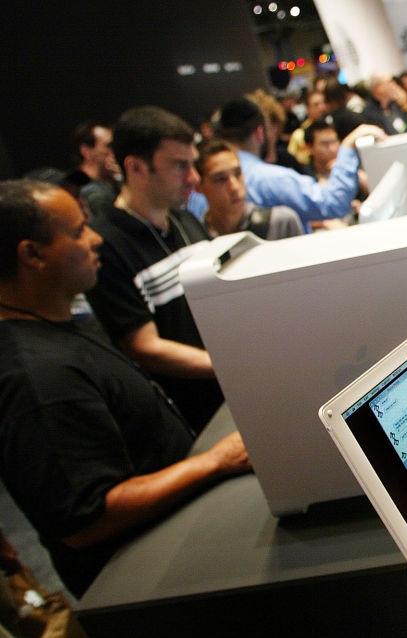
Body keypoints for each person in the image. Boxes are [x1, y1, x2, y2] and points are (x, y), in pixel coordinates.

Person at [0, 179, 250, 597]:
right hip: (146, 580)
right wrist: (213, 462)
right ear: (32, 254)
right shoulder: (38, 378)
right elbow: (85, 520)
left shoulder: (62, 325)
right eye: (79, 231)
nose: (96, 239)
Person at [86, 105, 224, 432]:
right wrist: (228, 366)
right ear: (135, 167)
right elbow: (143, 346)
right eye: (180, 166)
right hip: (190, 415)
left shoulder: (185, 219)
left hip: (227, 389)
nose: (193, 178)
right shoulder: (106, 243)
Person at [208, 96, 383, 230]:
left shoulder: (207, 179)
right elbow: (331, 203)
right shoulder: (269, 178)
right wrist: (348, 146)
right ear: (260, 133)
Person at [195, 140, 303, 240]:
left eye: (238, 173)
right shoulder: (194, 235)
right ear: (198, 187)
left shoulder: (281, 222)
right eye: (220, 179)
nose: (234, 187)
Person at [62, 121, 121, 217]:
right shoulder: (79, 188)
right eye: (109, 146)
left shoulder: (114, 181)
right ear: (86, 151)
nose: (114, 151)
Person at [287, 89, 328, 165]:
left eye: (324, 102)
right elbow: (291, 160)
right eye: (316, 104)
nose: (322, 107)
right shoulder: (299, 134)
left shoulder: (333, 126)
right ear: (307, 109)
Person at [304, 118, 340, 185]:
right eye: (325, 144)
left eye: (334, 141)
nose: (332, 149)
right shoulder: (303, 177)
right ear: (309, 148)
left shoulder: (349, 167)